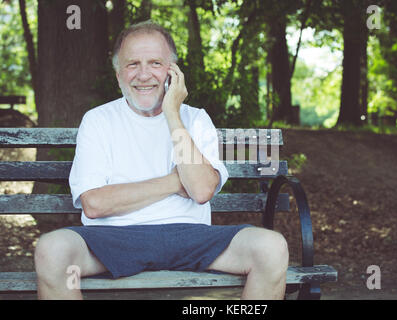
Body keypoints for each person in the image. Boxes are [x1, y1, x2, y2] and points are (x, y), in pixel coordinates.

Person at [34, 20, 288, 300]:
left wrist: (172, 113)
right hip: (113, 240)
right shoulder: (98, 120)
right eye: (132, 65)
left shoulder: (196, 119)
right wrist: (173, 182)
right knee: (52, 250)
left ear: (173, 72)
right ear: (119, 75)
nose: (143, 75)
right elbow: (94, 205)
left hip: (192, 239)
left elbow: (201, 191)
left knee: (271, 248)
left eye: (155, 63)